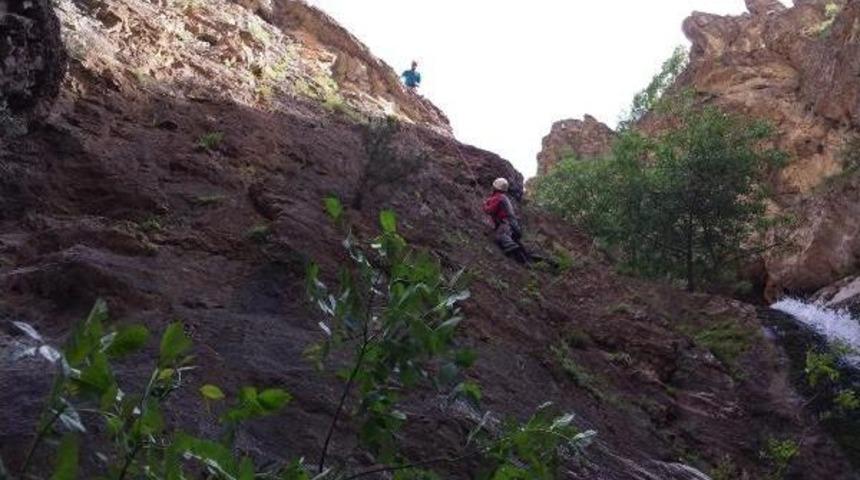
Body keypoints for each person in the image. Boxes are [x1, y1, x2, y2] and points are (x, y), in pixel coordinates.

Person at [483, 177, 529, 263]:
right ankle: (525, 258)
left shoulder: (498, 197)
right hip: (513, 225)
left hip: (506, 223)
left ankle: (517, 253)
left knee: (501, 236)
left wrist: (485, 205)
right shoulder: (503, 197)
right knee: (513, 240)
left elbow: (490, 210)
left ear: (495, 187)